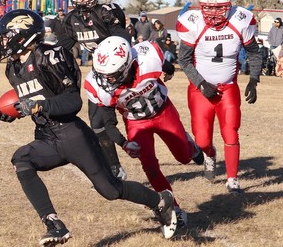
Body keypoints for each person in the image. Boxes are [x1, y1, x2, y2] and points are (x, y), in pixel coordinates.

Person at [0, 9, 178, 246]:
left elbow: (72, 102)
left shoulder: (48, 56)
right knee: (22, 160)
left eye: (7, 36)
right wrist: (14, 112)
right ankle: (54, 225)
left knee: (110, 190)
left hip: (72, 134)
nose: (3, 41)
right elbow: (31, 100)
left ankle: (161, 201)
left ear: (22, 36)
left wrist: (36, 106)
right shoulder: (12, 67)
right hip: (47, 136)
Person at [84, 36, 204, 227]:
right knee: (149, 166)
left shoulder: (147, 59)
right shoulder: (100, 86)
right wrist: (124, 143)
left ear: (126, 67)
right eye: (102, 73)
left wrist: (169, 72)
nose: (105, 79)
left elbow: (167, 65)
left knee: (183, 157)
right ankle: (173, 208)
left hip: (163, 112)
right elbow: (107, 123)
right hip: (135, 122)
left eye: (111, 74)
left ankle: (192, 147)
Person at [176, 0, 262, 193]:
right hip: (200, 90)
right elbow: (184, 60)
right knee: (202, 139)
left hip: (228, 88)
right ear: (201, 7)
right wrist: (201, 84)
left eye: (219, 8)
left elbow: (254, 52)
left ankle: (232, 179)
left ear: (229, 7)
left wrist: (253, 79)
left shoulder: (240, 20)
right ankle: (209, 154)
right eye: (208, 8)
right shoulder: (193, 22)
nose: (213, 14)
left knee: (231, 133)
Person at [56, 0, 130, 180]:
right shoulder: (72, 20)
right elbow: (60, 50)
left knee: (141, 118)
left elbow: (123, 39)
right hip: (100, 77)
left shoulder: (105, 12)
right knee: (98, 126)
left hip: (125, 73)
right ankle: (115, 168)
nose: (81, 0)